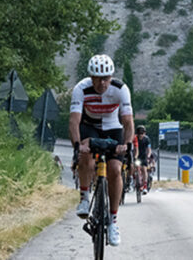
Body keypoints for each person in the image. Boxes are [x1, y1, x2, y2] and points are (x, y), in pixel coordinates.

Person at [69, 54, 133, 247]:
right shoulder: (81, 88)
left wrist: (127, 145)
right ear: (92, 77)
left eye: (107, 78)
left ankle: (113, 221)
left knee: (114, 169)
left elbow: (128, 122)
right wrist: (77, 145)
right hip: (89, 125)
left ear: (111, 77)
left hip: (113, 126)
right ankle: (84, 197)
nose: (103, 83)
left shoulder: (121, 89)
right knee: (85, 155)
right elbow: (74, 121)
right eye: (98, 78)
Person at [134, 125, 152, 194]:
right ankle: (136, 181)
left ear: (144, 133)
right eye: (139, 134)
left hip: (144, 156)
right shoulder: (135, 138)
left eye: (142, 133)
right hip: (137, 156)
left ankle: (144, 186)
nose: (141, 135)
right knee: (137, 168)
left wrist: (148, 156)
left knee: (144, 169)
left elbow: (149, 149)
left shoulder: (147, 139)